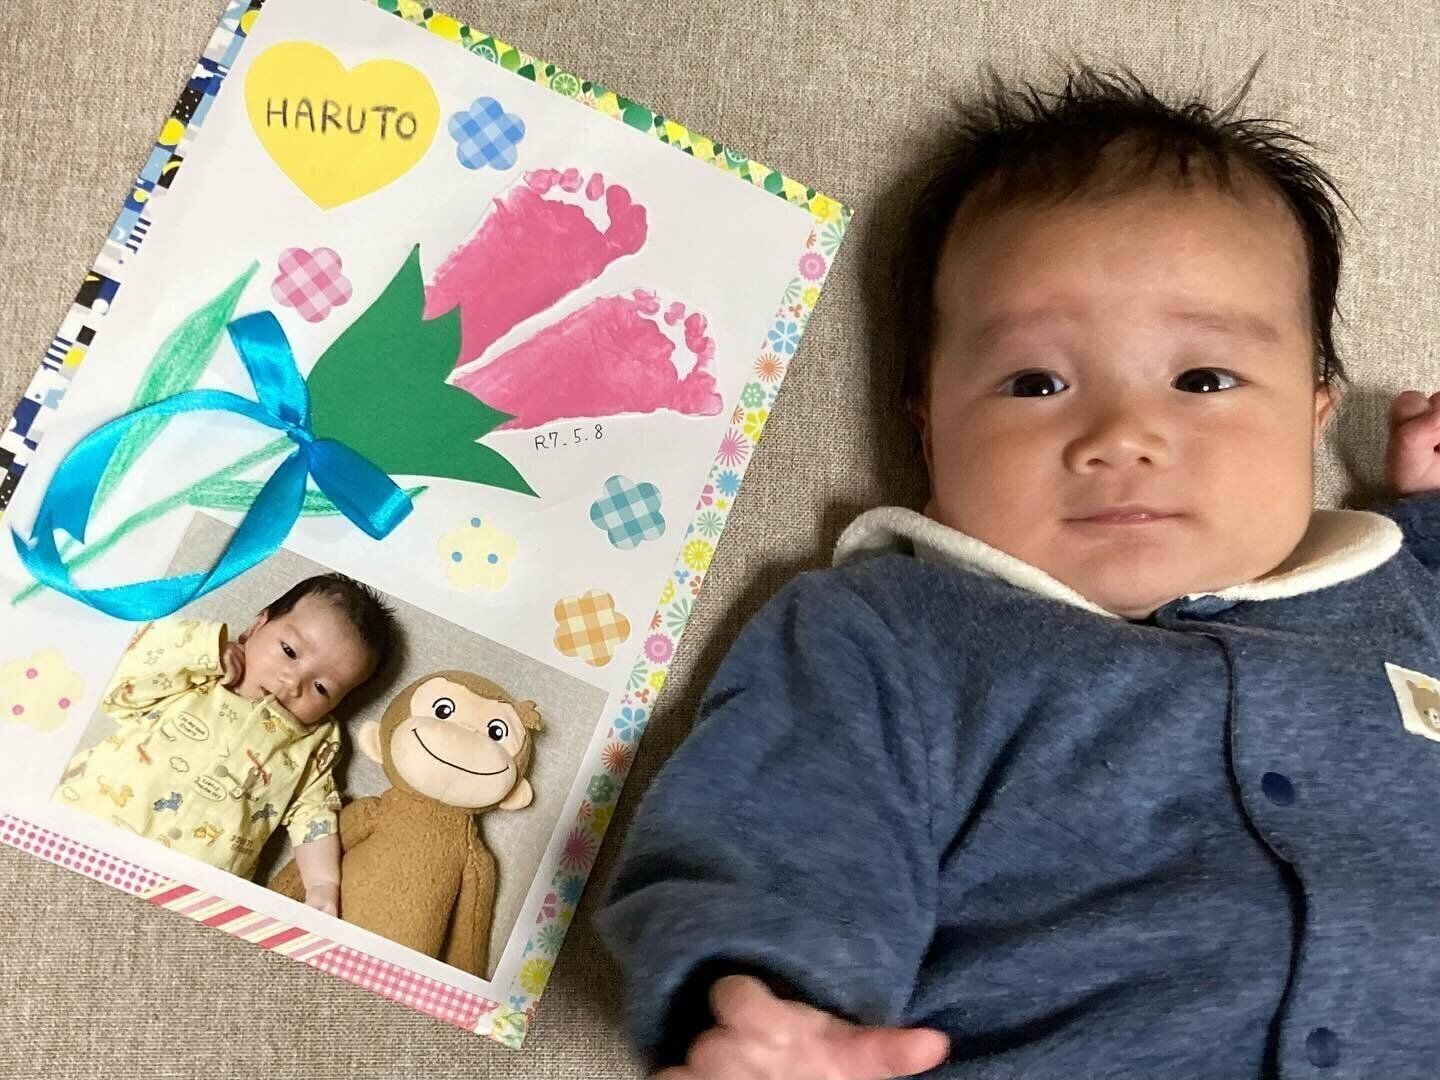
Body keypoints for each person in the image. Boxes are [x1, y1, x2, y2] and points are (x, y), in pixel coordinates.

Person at [595, 63, 1440, 1078]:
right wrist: (773, 1009)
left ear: (1312, 415)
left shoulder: (1402, 597)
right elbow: (779, 833)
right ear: (929, 431)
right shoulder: (892, 631)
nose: (1123, 435)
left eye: (1204, 377)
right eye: (1036, 382)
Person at [55, 573, 396, 916]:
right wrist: (204, 651)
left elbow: (314, 817)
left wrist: (322, 885)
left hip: (193, 891)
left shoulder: (311, 744)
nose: (293, 683)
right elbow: (121, 685)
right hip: (86, 824)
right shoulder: (198, 674)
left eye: (322, 688)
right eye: (289, 651)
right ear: (257, 625)